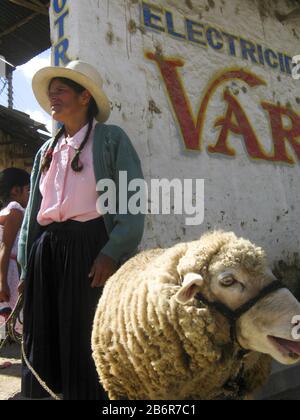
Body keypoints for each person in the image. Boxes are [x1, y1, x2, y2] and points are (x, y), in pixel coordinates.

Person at [18, 60, 145, 400]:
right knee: (43, 333)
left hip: (89, 248)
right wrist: (27, 264)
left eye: (60, 91)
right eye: (50, 93)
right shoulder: (46, 150)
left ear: (85, 96)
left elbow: (132, 203)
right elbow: (34, 212)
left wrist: (111, 252)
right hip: (47, 248)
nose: (52, 99)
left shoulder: (110, 140)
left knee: (84, 334)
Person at [0, 168, 30, 337]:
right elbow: (6, 246)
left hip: (5, 266)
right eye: (28, 190)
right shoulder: (16, 210)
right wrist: (3, 281)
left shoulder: (5, 210)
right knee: (19, 315)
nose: (30, 195)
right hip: (8, 269)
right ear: (15, 191)